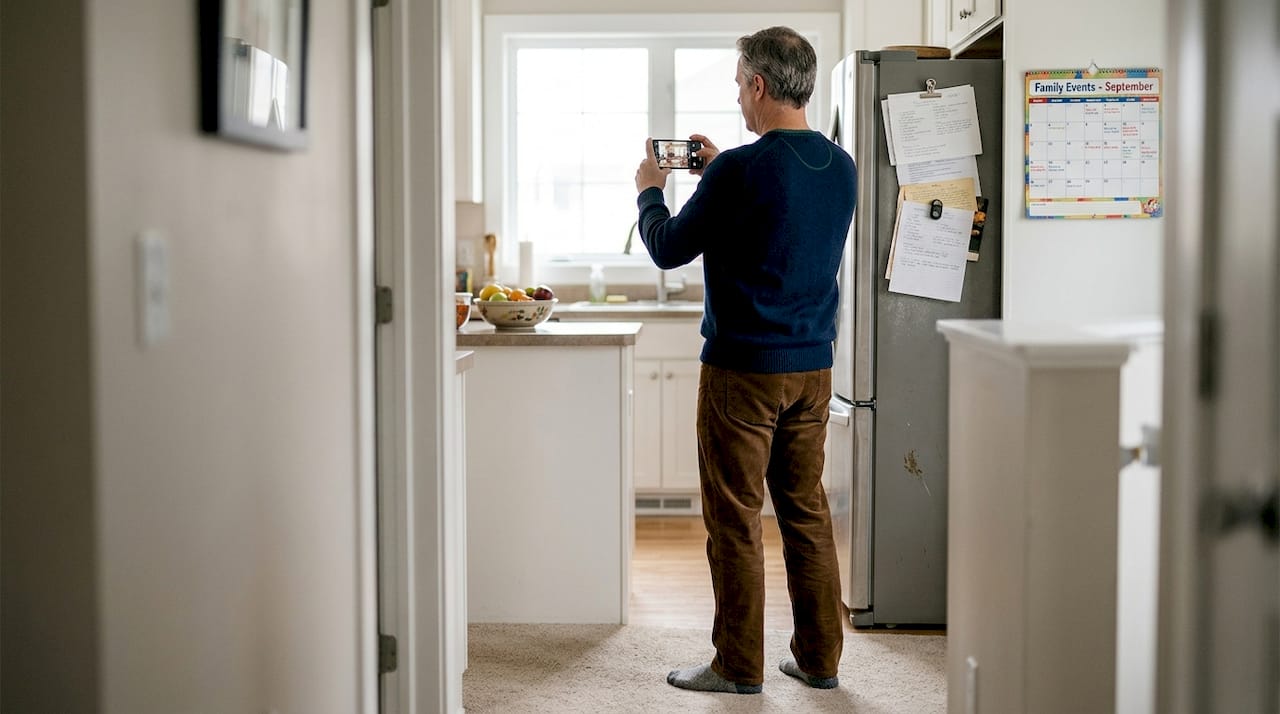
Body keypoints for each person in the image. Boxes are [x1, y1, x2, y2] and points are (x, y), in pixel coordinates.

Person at [633, 26, 856, 695]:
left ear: (759, 84)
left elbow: (667, 247)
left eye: (738, 84)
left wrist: (650, 190)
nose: (736, 97)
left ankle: (736, 666)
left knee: (734, 520)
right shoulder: (840, 166)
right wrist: (720, 169)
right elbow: (781, 212)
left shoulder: (739, 169)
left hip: (743, 373)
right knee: (805, 512)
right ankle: (819, 660)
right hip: (813, 369)